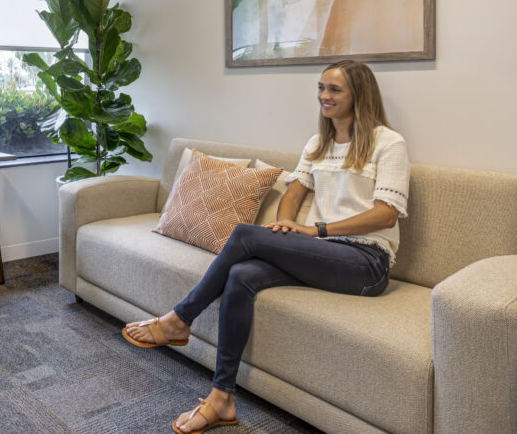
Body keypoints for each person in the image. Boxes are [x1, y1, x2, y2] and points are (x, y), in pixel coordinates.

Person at [123, 60, 409, 433]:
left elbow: (386, 215)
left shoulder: (388, 143)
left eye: (334, 90)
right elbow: (293, 194)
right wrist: (288, 222)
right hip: (323, 255)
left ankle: (180, 319)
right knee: (241, 275)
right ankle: (221, 398)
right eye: (321, 88)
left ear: (360, 94)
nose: (324, 96)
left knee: (244, 235)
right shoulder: (318, 143)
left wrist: (315, 231)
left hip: (365, 263)